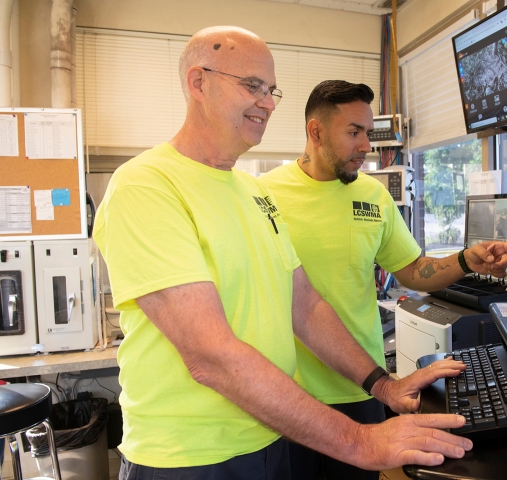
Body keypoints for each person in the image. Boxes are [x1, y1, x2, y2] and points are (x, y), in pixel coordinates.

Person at [93, 26, 476, 480]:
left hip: (269, 438)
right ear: (199, 82)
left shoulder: (252, 193)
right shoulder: (147, 185)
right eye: (252, 86)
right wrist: (360, 439)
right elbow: (210, 355)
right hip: (190, 458)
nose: (270, 103)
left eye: (272, 90)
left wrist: (383, 386)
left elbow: (305, 306)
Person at [259, 80, 507, 480]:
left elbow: (413, 271)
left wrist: (465, 261)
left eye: (368, 133)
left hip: (362, 387)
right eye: (353, 132)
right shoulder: (264, 195)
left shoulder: (373, 196)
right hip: (288, 394)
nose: (365, 146)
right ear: (315, 132)